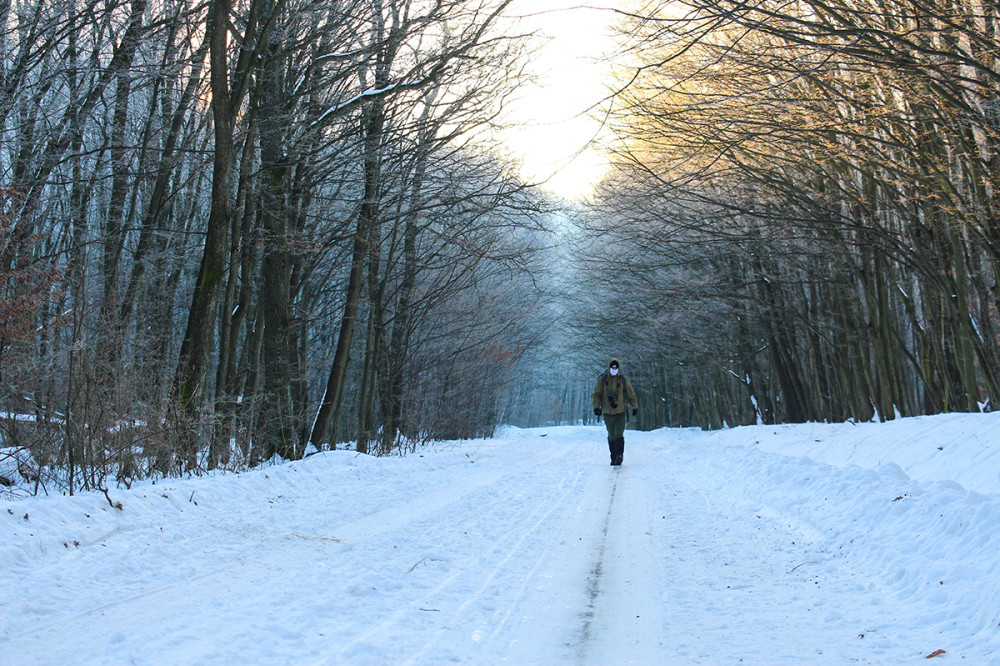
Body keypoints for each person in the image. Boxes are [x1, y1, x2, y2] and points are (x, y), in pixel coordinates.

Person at [592, 358, 638, 466]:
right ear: (609, 367)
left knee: (619, 434)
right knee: (612, 435)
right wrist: (596, 407)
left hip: (620, 411)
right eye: (612, 367)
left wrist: (634, 406)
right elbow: (597, 394)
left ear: (618, 368)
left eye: (616, 367)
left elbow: (630, 393)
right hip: (607, 413)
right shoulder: (602, 380)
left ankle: (619, 456)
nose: (614, 369)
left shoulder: (623, 380)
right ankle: (613, 456)